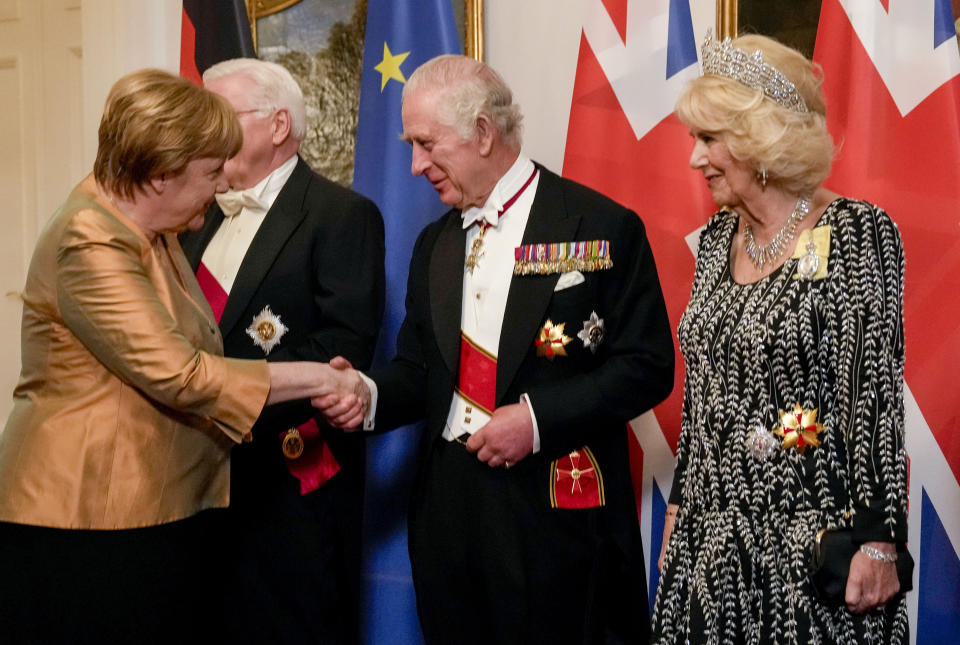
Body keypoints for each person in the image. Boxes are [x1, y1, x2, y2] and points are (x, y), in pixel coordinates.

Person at [318, 54, 674, 644]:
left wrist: (535, 422)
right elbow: (421, 368)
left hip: (553, 511)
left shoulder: (599, 224)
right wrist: (369, 393)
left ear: (483, 133)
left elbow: (647, 367)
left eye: (427, 144)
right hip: (449, 513)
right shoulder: (434, 243)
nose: (414, 165)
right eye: (410, 145)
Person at [0, 69, 355, 645]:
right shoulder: (91, 238)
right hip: (90, 514)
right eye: (210, 173)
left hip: (149, 506)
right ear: (162, 174)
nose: (218, 189)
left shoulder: (151, 229)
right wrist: (321, 378)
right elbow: (182, 373)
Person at [651, 32, 909, 643]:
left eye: (709, 139)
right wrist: (682, 504)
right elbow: (705, 392)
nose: (695, 159)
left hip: (812, 542)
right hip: (709, 546)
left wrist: (879, 538)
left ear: (758, 139)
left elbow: (872, 392)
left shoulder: (856, 232)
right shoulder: (717, 240)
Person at [179, 58, 384, 645]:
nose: (204, 133)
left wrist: (216, 395)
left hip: (287, 481)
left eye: (219, 117)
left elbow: (342, 345)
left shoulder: (342, 215)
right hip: (193, 475)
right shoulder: (190, 219)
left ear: (277, 125)